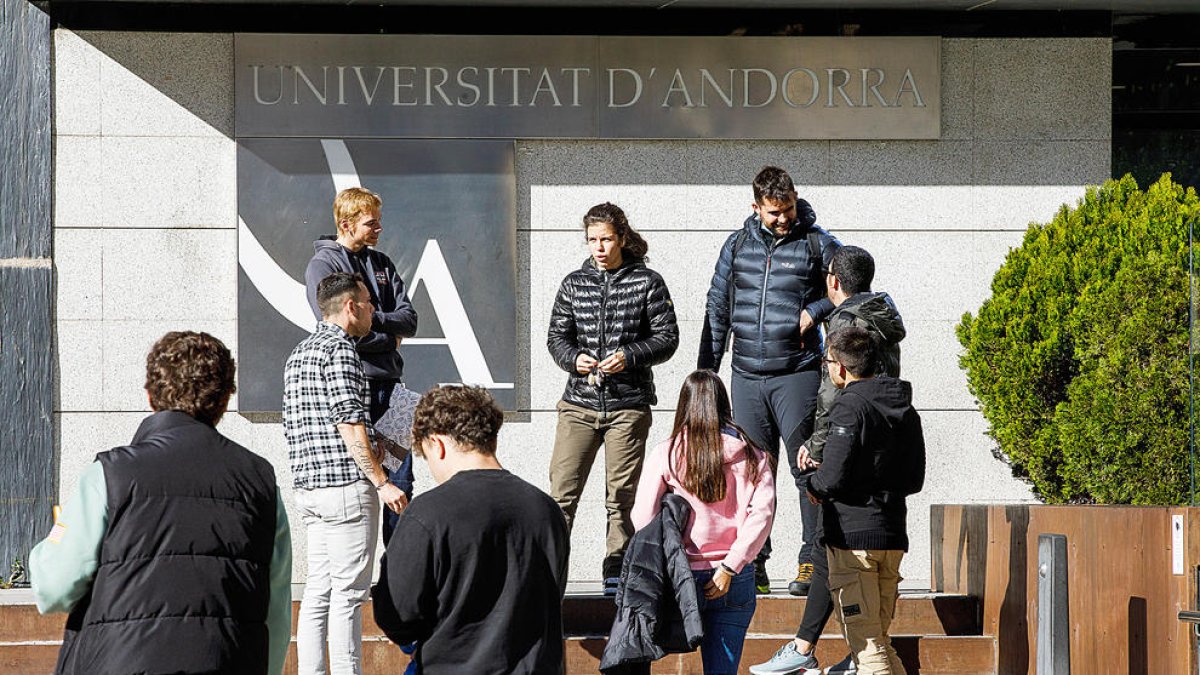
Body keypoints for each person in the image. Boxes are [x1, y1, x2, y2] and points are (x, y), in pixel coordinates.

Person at [29, 331, 292, 675]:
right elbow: (276, 613)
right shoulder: (261, 482)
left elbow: (54, 589)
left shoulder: (109, 475)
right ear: (225, 400)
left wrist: (45, 549)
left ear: (150, 395)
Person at [751, 245, 906, 675]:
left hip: (848, 444)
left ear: (833, 281)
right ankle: (812, 647)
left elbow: (833, 391)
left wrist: (817, 448)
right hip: (881, 448)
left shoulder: (843, 321)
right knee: (827, 546)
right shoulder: (883, 315)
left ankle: (825, 651)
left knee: (829, 541)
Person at [698, 165, 841, 594]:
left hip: (795, 374)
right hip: (746, 376)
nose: (783, 218)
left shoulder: (817, 243)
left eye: (789, 209)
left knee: (805, 469)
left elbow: (848, 288)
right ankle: (753, 562)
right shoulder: (737, 244)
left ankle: (811, 563)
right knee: (750, 474)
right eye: (774, 211)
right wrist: (707, 372)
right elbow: (717, 306)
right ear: (756, 206)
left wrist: (813, 312)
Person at [371, 384, 570, 674]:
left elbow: (397, 616)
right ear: (492, 440)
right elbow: (553, 595)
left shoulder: (428, 513)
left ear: (436, 444)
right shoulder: (546, 508)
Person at [547, 201, 680, 593]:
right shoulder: (574, 283)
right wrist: (575, 359)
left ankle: (615, 567)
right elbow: (556, 339)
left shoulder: (647, 282)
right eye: (592, 240)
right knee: (561, 495)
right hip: (578, 404)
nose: (599, 247)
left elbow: (667, 337)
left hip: (628, 405)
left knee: (621, 497)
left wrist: (630, 355)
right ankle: (552, 571)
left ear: (621, 237)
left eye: (606, 239)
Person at [284, 272, 408, 675]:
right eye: (370, 303)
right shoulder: (340, 352)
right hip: (345, 488)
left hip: (309, 489)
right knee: (349, 597)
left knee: (318, 592)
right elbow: (350, 423)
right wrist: (383, 482)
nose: (375, 310)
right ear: (351, 306)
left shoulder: (298, 353)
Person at [628, 369, 777, 674]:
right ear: (724, 404)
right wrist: (730, 566)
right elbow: (761, 515)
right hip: (734, 577)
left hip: (680, 575)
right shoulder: (753, 454)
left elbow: (641, 516)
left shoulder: (667, 452)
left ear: (685, 404)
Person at [305, 186, 418, 541]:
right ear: (346, 223)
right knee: (361, 479)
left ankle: (396, 579)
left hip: (391, 388)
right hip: (356, 387)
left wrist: (375, 321)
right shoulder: (324, 265)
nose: (379, 229)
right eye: (372, 223)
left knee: (400, 482)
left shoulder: (382, 263)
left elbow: (410, 320)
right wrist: (388, 338)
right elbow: (340, 329)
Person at [810, 327, 925, 675]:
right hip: (891, 536)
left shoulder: (850, 404)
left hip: (853, 540)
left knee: (868, 647)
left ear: (841, 368)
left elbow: (831, 477)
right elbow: (915, 478)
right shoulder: (904, 406)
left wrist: (812, 483)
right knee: (879, 642)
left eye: (827, 361)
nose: (828, 368)